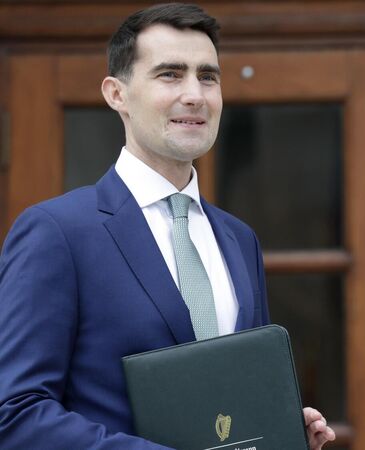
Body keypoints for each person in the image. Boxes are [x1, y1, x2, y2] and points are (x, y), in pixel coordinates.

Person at [0, 4, 335, 449]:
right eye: (170, 75)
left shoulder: (239, 239)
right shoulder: (55, 233)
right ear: (116, 94)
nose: (194, 94)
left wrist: (280, 431)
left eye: (208, 77)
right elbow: (16, 413)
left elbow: (235, 399)